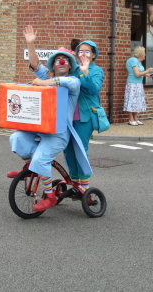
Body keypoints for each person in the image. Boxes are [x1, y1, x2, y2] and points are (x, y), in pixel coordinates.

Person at [7, 25, 91, 212]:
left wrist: (43, 82)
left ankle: (50, 195)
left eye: (66, 60)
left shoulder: (73, 82)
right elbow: (36, 65)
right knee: (17, 138)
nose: (62, 62)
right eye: (58, 60)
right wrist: (30, 44)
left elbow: (63, 81)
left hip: (58, 133)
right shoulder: (47, 75)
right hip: (39, 127)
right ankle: (30, 169)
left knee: (41, 158)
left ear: (70, 65)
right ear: (53, 65)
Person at [63, 40, 104, 195]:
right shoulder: (73, 69)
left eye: (87, 52)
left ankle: (84, 185)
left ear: (93, 55)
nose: (84, 55)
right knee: (68, 150)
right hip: (67, 115)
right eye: (81, 51)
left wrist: (85, 72)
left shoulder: (96, 70)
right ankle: (75, 184)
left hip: (84, 117)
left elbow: (94, 89)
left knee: (80, 149)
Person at [124, 46, 153, 126]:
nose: (145, 55)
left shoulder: (138, 62)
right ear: (141, 54)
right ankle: (131, 119)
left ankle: (136, 119)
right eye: (144, 53)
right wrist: (147, 70)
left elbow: (140, 72)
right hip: (133, 84)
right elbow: (137, 74)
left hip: (138, 84)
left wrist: (147, 75)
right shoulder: (133, 60)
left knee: (136, 101)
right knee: (131, 100)